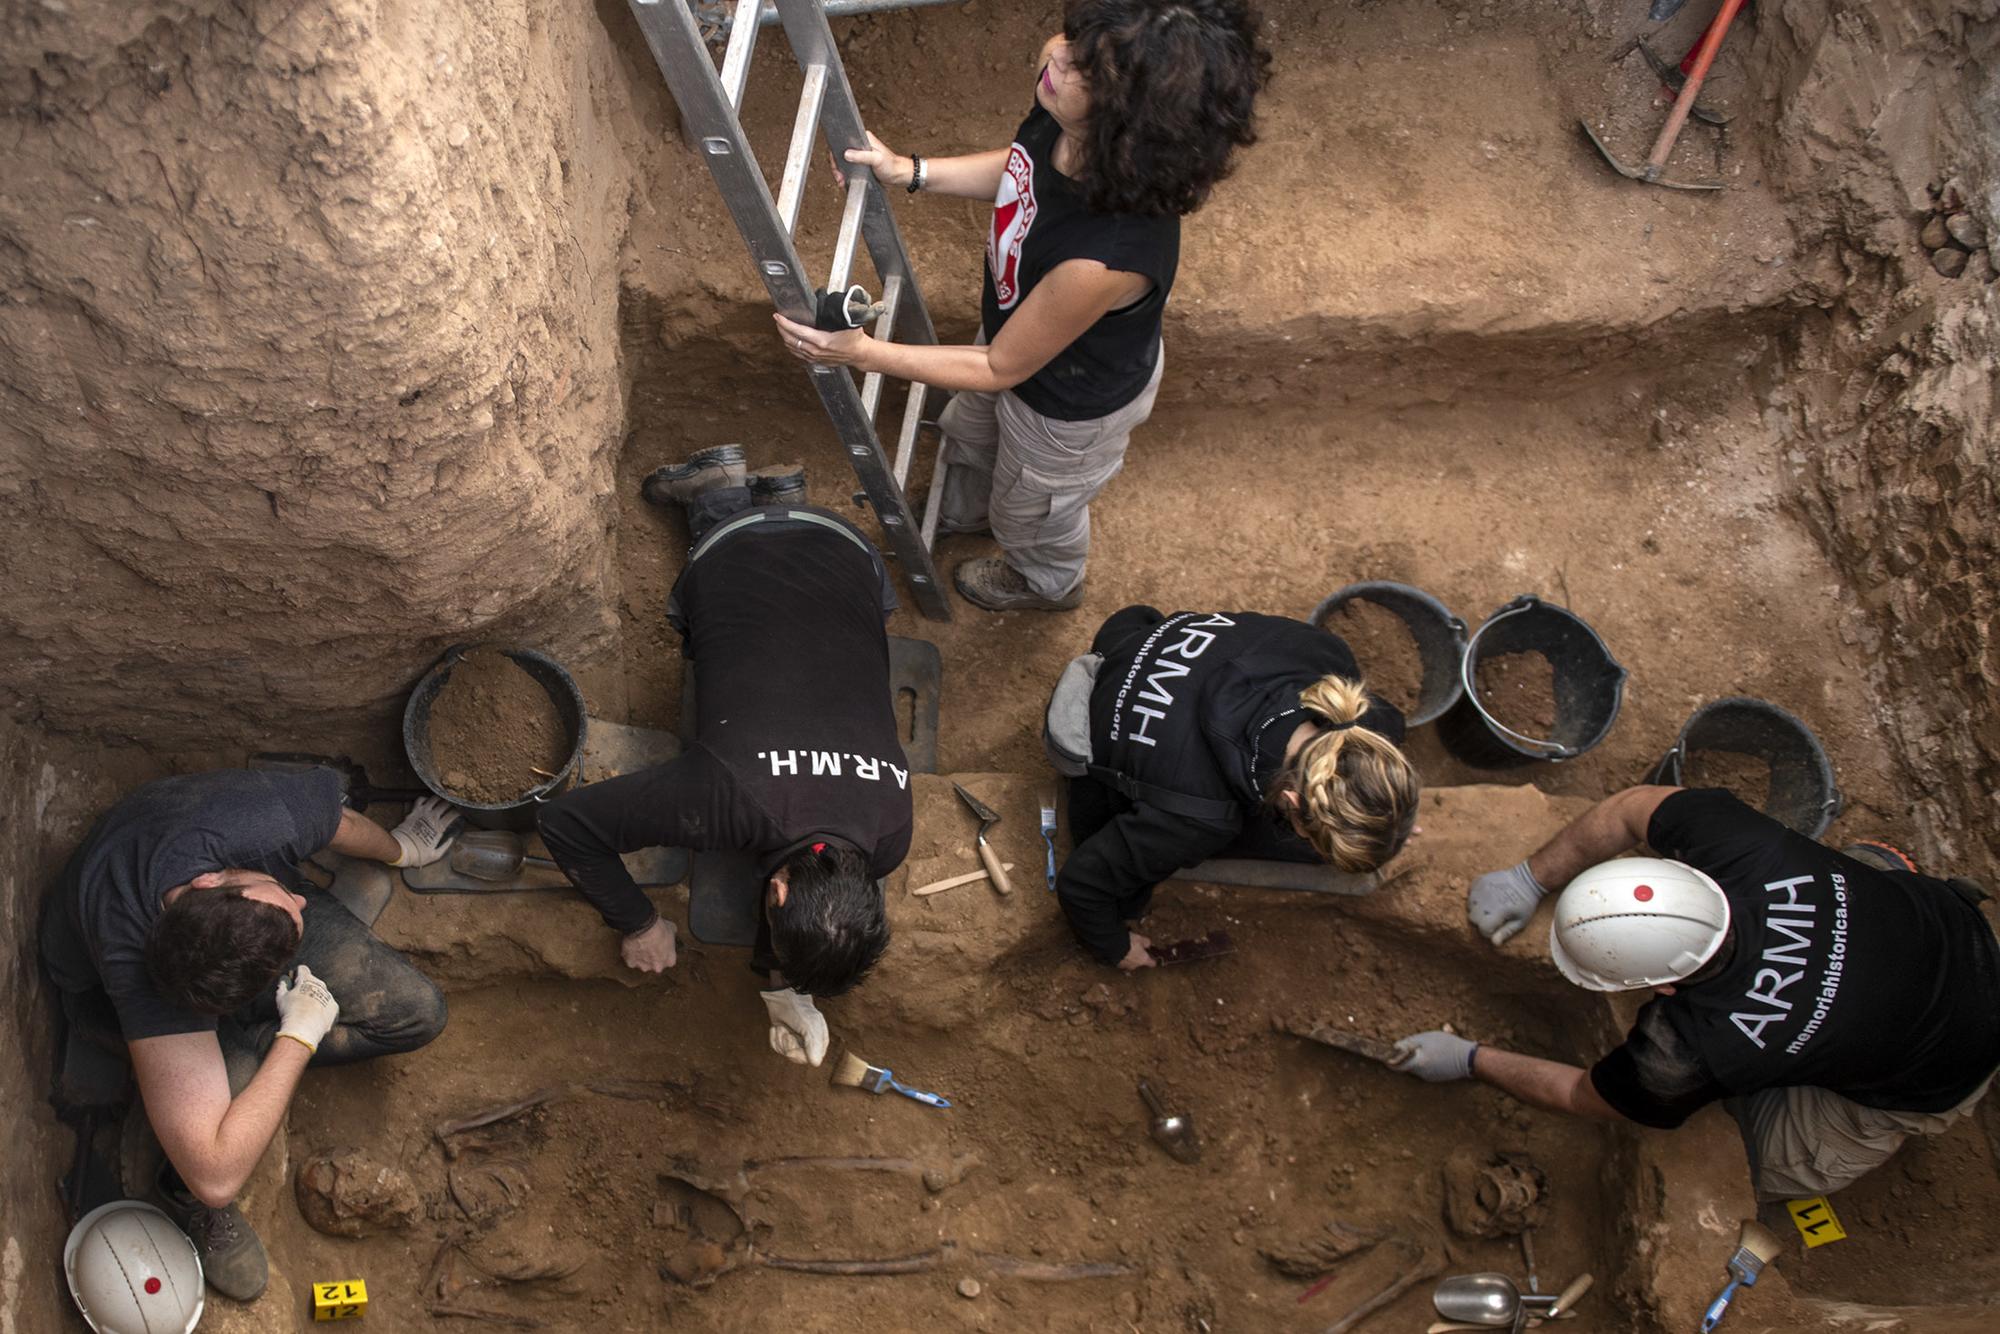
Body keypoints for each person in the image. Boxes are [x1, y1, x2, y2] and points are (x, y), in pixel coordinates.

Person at [773, 1, 1273, 613]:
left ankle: (1045, 582)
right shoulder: (1066, 122)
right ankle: (967, 509)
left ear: (1131, 123)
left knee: (1033, 511)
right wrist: (909, 170)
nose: (1060, 57)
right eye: (1078, 40)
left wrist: (863, 353)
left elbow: (998, 369)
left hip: (1063, 412)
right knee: (971, 434)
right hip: (1019, 341)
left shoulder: (1107, 256)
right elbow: (1019, 173)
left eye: (1090, 70)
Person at [1389, 785, 2000, 1201]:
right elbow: (1632, 810)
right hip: (1957, 935)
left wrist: (1471, 1059)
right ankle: (1881, 873)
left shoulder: (1693, 1049)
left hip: (1946, 1069)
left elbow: (1584, 1095)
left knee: (1756, 1158)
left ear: (1663, 987)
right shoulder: (1745, 846)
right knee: (1859, 880)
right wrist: (1529, 878)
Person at [538, 446, 909, 1067]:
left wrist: (783, 991)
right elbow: (565, 824)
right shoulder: (727, 795)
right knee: (716, 579)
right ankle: (719, 495)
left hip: (849, 552)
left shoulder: (891, 827)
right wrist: (638, 923)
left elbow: (807, 897)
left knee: (796, 612)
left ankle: (784, 499)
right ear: (780, 891)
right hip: (727, 558)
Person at [40, 770, 456, 1300]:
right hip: (110, 990)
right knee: (213, 1144)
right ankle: (189, 1165)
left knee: (419, 1013)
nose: (302, 902)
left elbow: (342, 824)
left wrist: (401, 849)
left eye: (290, 905)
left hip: (236, 929)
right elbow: (215, 1174)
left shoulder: (261, 820)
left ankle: (258, 1044)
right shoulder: (141, 978)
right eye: (292, 904)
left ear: (214, 880)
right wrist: (299, 1037)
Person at [1047, 604, 1421, 969]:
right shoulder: (1197, 817)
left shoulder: (1324, 655)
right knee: (1155, 871)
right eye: (1307, 830)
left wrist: (1385, 820)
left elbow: (1386, 722)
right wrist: (1115, 946)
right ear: (1290, 800)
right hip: (1095, 730)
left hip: (1137, 641)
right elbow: (1083, 885)